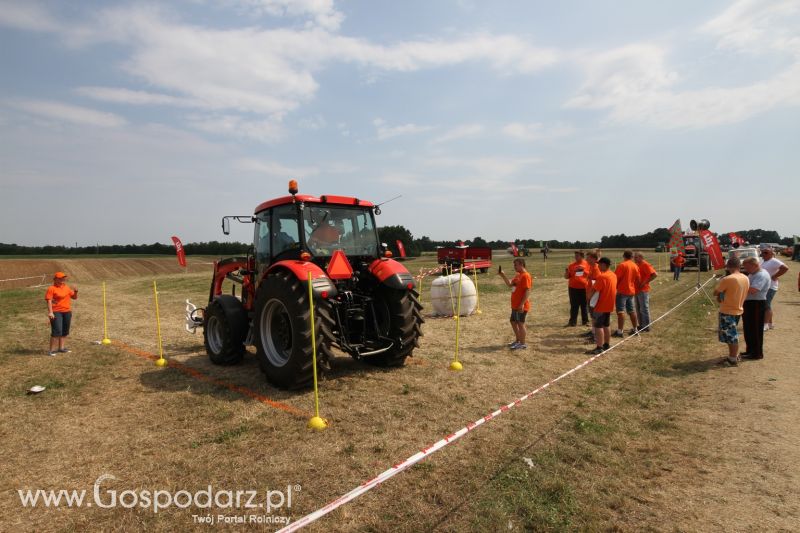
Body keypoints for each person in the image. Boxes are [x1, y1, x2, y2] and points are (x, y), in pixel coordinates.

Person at [713, 257, 749, 366]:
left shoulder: (728, 279)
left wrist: (720, 288)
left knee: (731, 336)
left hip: (727, 310)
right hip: (738, 309)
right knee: (731, 335)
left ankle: (733, 358)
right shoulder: (745, 277)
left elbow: (715, 292)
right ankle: (732, 356)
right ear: (739, 266)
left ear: (728, 266)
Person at [498, 259, 532, 350]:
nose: (514, 267)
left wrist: (521, 304)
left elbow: (527, 291)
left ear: (521, 265)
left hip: (521, 305)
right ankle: (518, 340)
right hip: (515, 304)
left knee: (520, 323)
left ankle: (522, 344)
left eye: (516, 265)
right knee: (513, 322)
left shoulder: (526, 276)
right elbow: (510, 285)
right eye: (514, 265)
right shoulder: (518, 275)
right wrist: (503, 275)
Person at [741, 257, 771, 360]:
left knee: (755, 329)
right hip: (749, 303)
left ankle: (757, 353)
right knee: (748, 328)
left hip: (756, 304)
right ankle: (750, 350)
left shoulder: (761, 275)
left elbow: (753, 290)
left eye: (748, 267)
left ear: (755, 265)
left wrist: (738, 287)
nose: (746, 270)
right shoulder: (753, 273)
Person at [585, 257, 616, 355]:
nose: (598, 266)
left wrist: (588, 298)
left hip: (601, 305)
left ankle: (599, 347)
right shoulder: (613, 275)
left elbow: (594, 291)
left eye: (599, 264)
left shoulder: (602, 277)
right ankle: (606, 344)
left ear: (603, 265)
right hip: (609, 304)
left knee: (598, 326)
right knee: (606, 324)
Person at [45, 272, 78, 356]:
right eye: (60, 279)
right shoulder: (51, 288)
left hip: (67, 311)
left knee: (65, 331)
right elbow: (49, 301)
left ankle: (61, 348)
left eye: (63, 278)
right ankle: (51, 350)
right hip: (56, 312)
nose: (62, 280)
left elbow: (74, 297)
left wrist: (76, 291)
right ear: (55, 279)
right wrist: (50, 312)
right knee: (57, 331)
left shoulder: (66, 287)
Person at [760, 247, 789, 331]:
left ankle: (765, 324)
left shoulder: (774, 261)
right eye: (762, 252)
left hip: (771, 286)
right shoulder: (763, 261)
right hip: (764, 286)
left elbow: (785, 268)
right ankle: (770, 324)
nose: (763, 254)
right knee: (766, 305)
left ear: (771, 253)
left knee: (766, 304)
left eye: (766, 252)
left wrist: (775, 276)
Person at [612, 250, 639, 337]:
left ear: (624, 256)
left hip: (622, 291)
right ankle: (635, 329)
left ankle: (620, 331)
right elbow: (637, 279)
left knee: (620, 311)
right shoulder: (635, 266)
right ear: (632, 257)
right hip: (631, 291)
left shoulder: (622, 265)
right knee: (631, 310)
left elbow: (616, 278)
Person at [633, 252, 657, 332]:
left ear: (641, 257)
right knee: (638, 308)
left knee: (644, 308)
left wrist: (644, 283)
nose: (634, 259)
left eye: (636, 257)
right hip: (636, 290)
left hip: (643, 290)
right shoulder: (637, 264)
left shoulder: (645, 264)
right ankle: (641, 325)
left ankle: (646, 326)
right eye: (634, 257)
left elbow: (654, 275)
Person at [564, 250, 589, 327]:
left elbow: (591, 275)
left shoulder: (587, 264)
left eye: (577, 256)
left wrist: (583, 270)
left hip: (584, 288)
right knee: (574, 305)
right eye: (575, 255)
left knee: (584, 305)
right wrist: (567, 272)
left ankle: (585, 321)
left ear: (582, 256)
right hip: (573, 288)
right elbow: (566, 277)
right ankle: (572, 322)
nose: (575, 257)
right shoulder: (571, 265)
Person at [582, 250, 602, 342]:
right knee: (592, 315)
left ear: (594, 259)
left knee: (595, 315)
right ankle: (593, 332)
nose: (586, 259)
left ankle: (595, 335)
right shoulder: (591, 266)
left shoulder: (596, 268)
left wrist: (590, 296)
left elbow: (596, 283)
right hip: (590, 294)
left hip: (593, 295)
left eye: (588, 258)